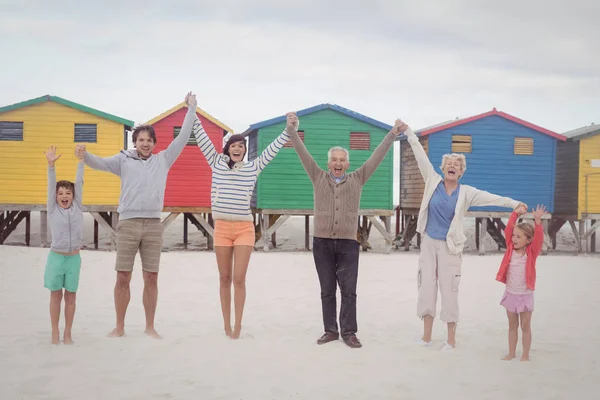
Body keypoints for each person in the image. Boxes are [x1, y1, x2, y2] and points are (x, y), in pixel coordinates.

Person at [76, 92, 198, 339]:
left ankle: (150, 326)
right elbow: (98, 163)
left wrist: (192, 109)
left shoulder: (163, 159)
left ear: (154, 143)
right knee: (123, 276)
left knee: (151, 276)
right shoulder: (123, 160)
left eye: (149, 140)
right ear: (136, 142)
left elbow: (184, 137)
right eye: (141, 139)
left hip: (153, 224)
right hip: (128, 223)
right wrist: (84, 156)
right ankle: (119, 326)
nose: (145, 143)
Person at [288, 113, 407, 348]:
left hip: (348, 244)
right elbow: (302, 153)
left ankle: (349, 332)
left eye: (343, 160)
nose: (339, 163)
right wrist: (292, 130)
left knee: (349, 291)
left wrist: (393, 134)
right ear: (328, 162)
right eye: (335, 159)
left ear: (348, 164)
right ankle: (330, 330)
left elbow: (376, 157)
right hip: (322, 242)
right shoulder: (317, 176)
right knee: (327, 290)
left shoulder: (357, 179)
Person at [402, 125, 526, 350]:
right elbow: (420, 155)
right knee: (426, 289)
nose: (452, 167)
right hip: (429, 244)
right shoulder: (432, 181)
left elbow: (491, 198)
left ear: (461, 172)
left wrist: (513, 203)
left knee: (449, 291)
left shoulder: (466, 192)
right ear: (442, 168)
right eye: (449, 164)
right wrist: (409, 133)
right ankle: (426, 338)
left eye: (457, 166)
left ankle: (450, 340)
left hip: (451, 248)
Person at [191, 107, 293, 339]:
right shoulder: (216, 162)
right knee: (224, 278)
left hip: (244, 229)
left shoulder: (252, 168)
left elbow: (271, 150)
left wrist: (288, 131)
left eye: (241, 146)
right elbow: (201, 136)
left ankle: (238, 326)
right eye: (234, 145)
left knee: (239, 278)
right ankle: (226, 325)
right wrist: (191, 110)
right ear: (227, 148)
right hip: (222, 229)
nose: (238, 148)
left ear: (244, 151)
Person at [44, 145, 85, 345]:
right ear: (56, 196)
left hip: (73, 259)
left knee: (70, 297)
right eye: (60, 193)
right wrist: (51, 166)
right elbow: (51, 185)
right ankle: (54, 331)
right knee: (55, 296)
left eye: (67, 192)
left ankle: (68, 332)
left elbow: (80, 182)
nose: (64, 195)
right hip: (56, 258)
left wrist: (81, 161)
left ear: (73, 195)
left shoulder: (77, 207)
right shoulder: (52, 209)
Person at [496, 204, 546, 361]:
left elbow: (539, 239)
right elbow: (508, 230)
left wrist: (537, 222)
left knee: (525, 327)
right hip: (511, 293)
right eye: (514, 236)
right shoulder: (510, 248)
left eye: (519, 237)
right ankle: (511, 353)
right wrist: (515, 214)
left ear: (528, 240)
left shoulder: (531, 252)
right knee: (512, 326)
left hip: (525, 295)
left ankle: (525, 354)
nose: (514, 239)